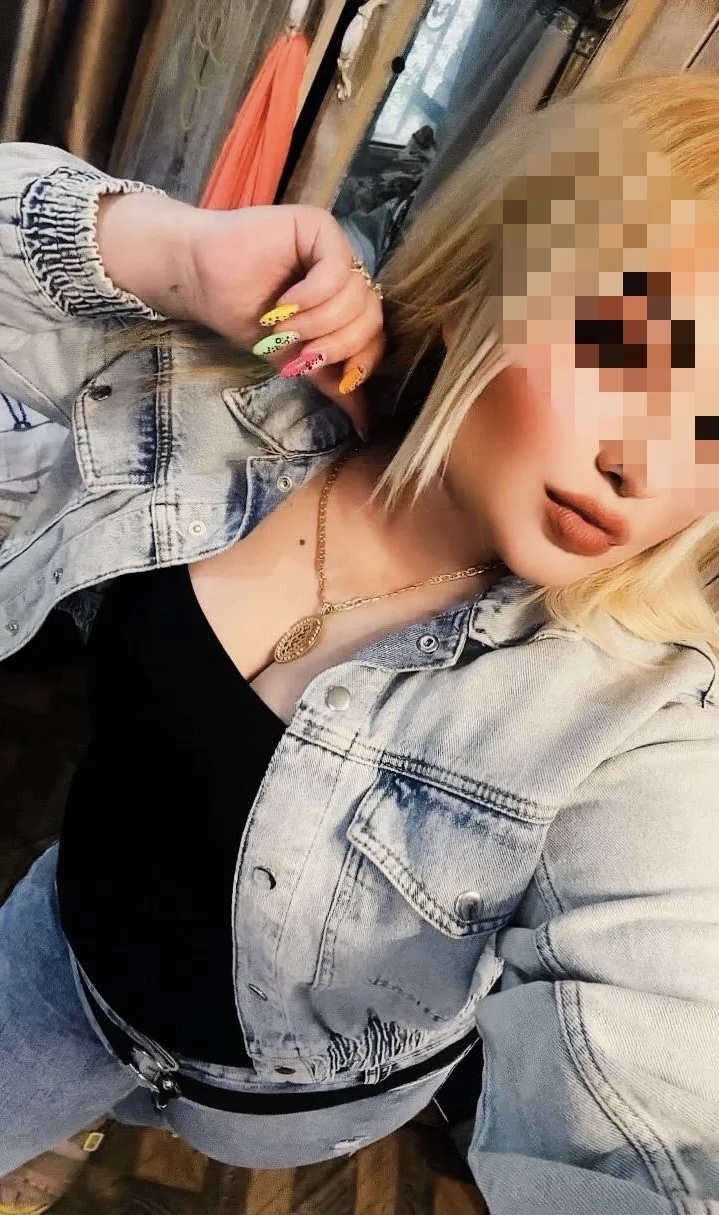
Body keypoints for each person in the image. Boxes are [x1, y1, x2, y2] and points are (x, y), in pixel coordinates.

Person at [0, 71, 718, 1215]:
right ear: (495, 279)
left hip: (279, 1106)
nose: (645, 468)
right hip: (59, 963)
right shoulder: (232, 400)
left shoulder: (633, 715)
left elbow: (663, 1065)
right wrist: (169, 251)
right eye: (624, 352)